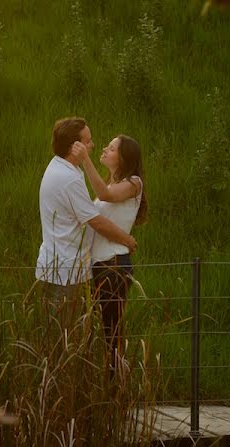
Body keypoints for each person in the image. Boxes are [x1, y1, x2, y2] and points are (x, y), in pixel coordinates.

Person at [35, 117, 137, 330]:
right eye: (88, 141)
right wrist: (127, 240)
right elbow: (96, 222)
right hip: (65, 272)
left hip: (58, 266)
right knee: (66, 337)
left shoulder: (61, 168)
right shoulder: (69, 178)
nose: (92, 145)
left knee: (62, 335)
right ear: (76, 147)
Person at [72, 134, 147, 368]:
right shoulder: (112, 184)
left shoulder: (134, 183)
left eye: (112, 148)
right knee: (100, 332)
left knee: (112, 334)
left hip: (113, 265)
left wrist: (85, 160)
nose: (104, 149)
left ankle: (116, 392)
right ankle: (106, 388)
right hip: (99, 266)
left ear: (124, 158)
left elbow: (106, 195)